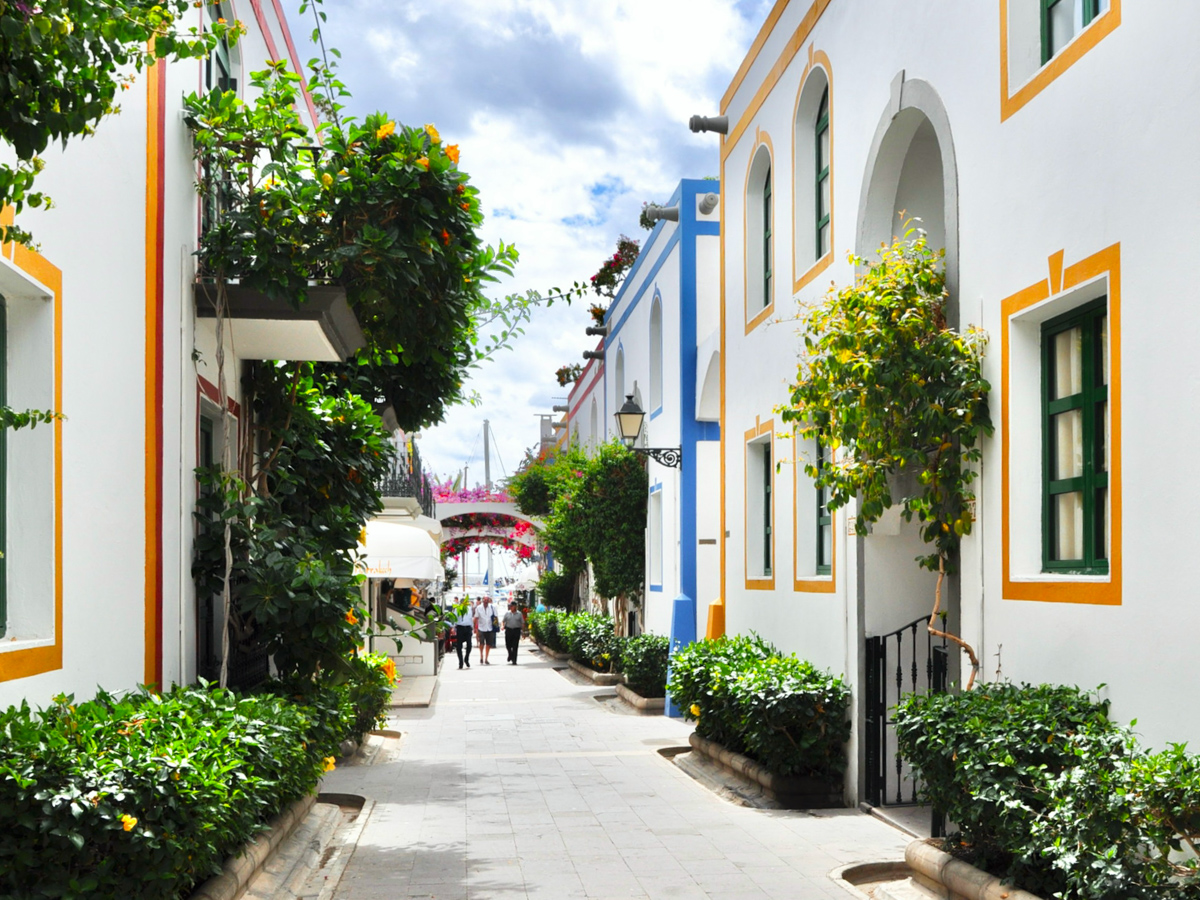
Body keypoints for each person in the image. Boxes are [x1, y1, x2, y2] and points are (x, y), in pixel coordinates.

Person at [474, 594, 498, 665]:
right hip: (481, 628)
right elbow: (476, 618)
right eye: (485, 600)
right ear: (482, 601)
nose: (486, 602)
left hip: (490, 628)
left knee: (488, 644)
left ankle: (486, 658)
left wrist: (496, 626)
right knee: (481, 643)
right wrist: (475, 628)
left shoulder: (493, 607)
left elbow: (496, 617)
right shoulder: (478, 608)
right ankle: (481, 655)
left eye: (487, 600)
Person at [452, 598, 475, 670]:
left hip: (468, 628)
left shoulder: (469, 609)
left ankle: (466, 658)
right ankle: (460, 662)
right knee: (459, 646)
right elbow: (454, 618)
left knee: (469, 645)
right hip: (460, 628)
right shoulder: (457, 609)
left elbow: (470, 618)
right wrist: (453, 628)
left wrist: (472, 627)